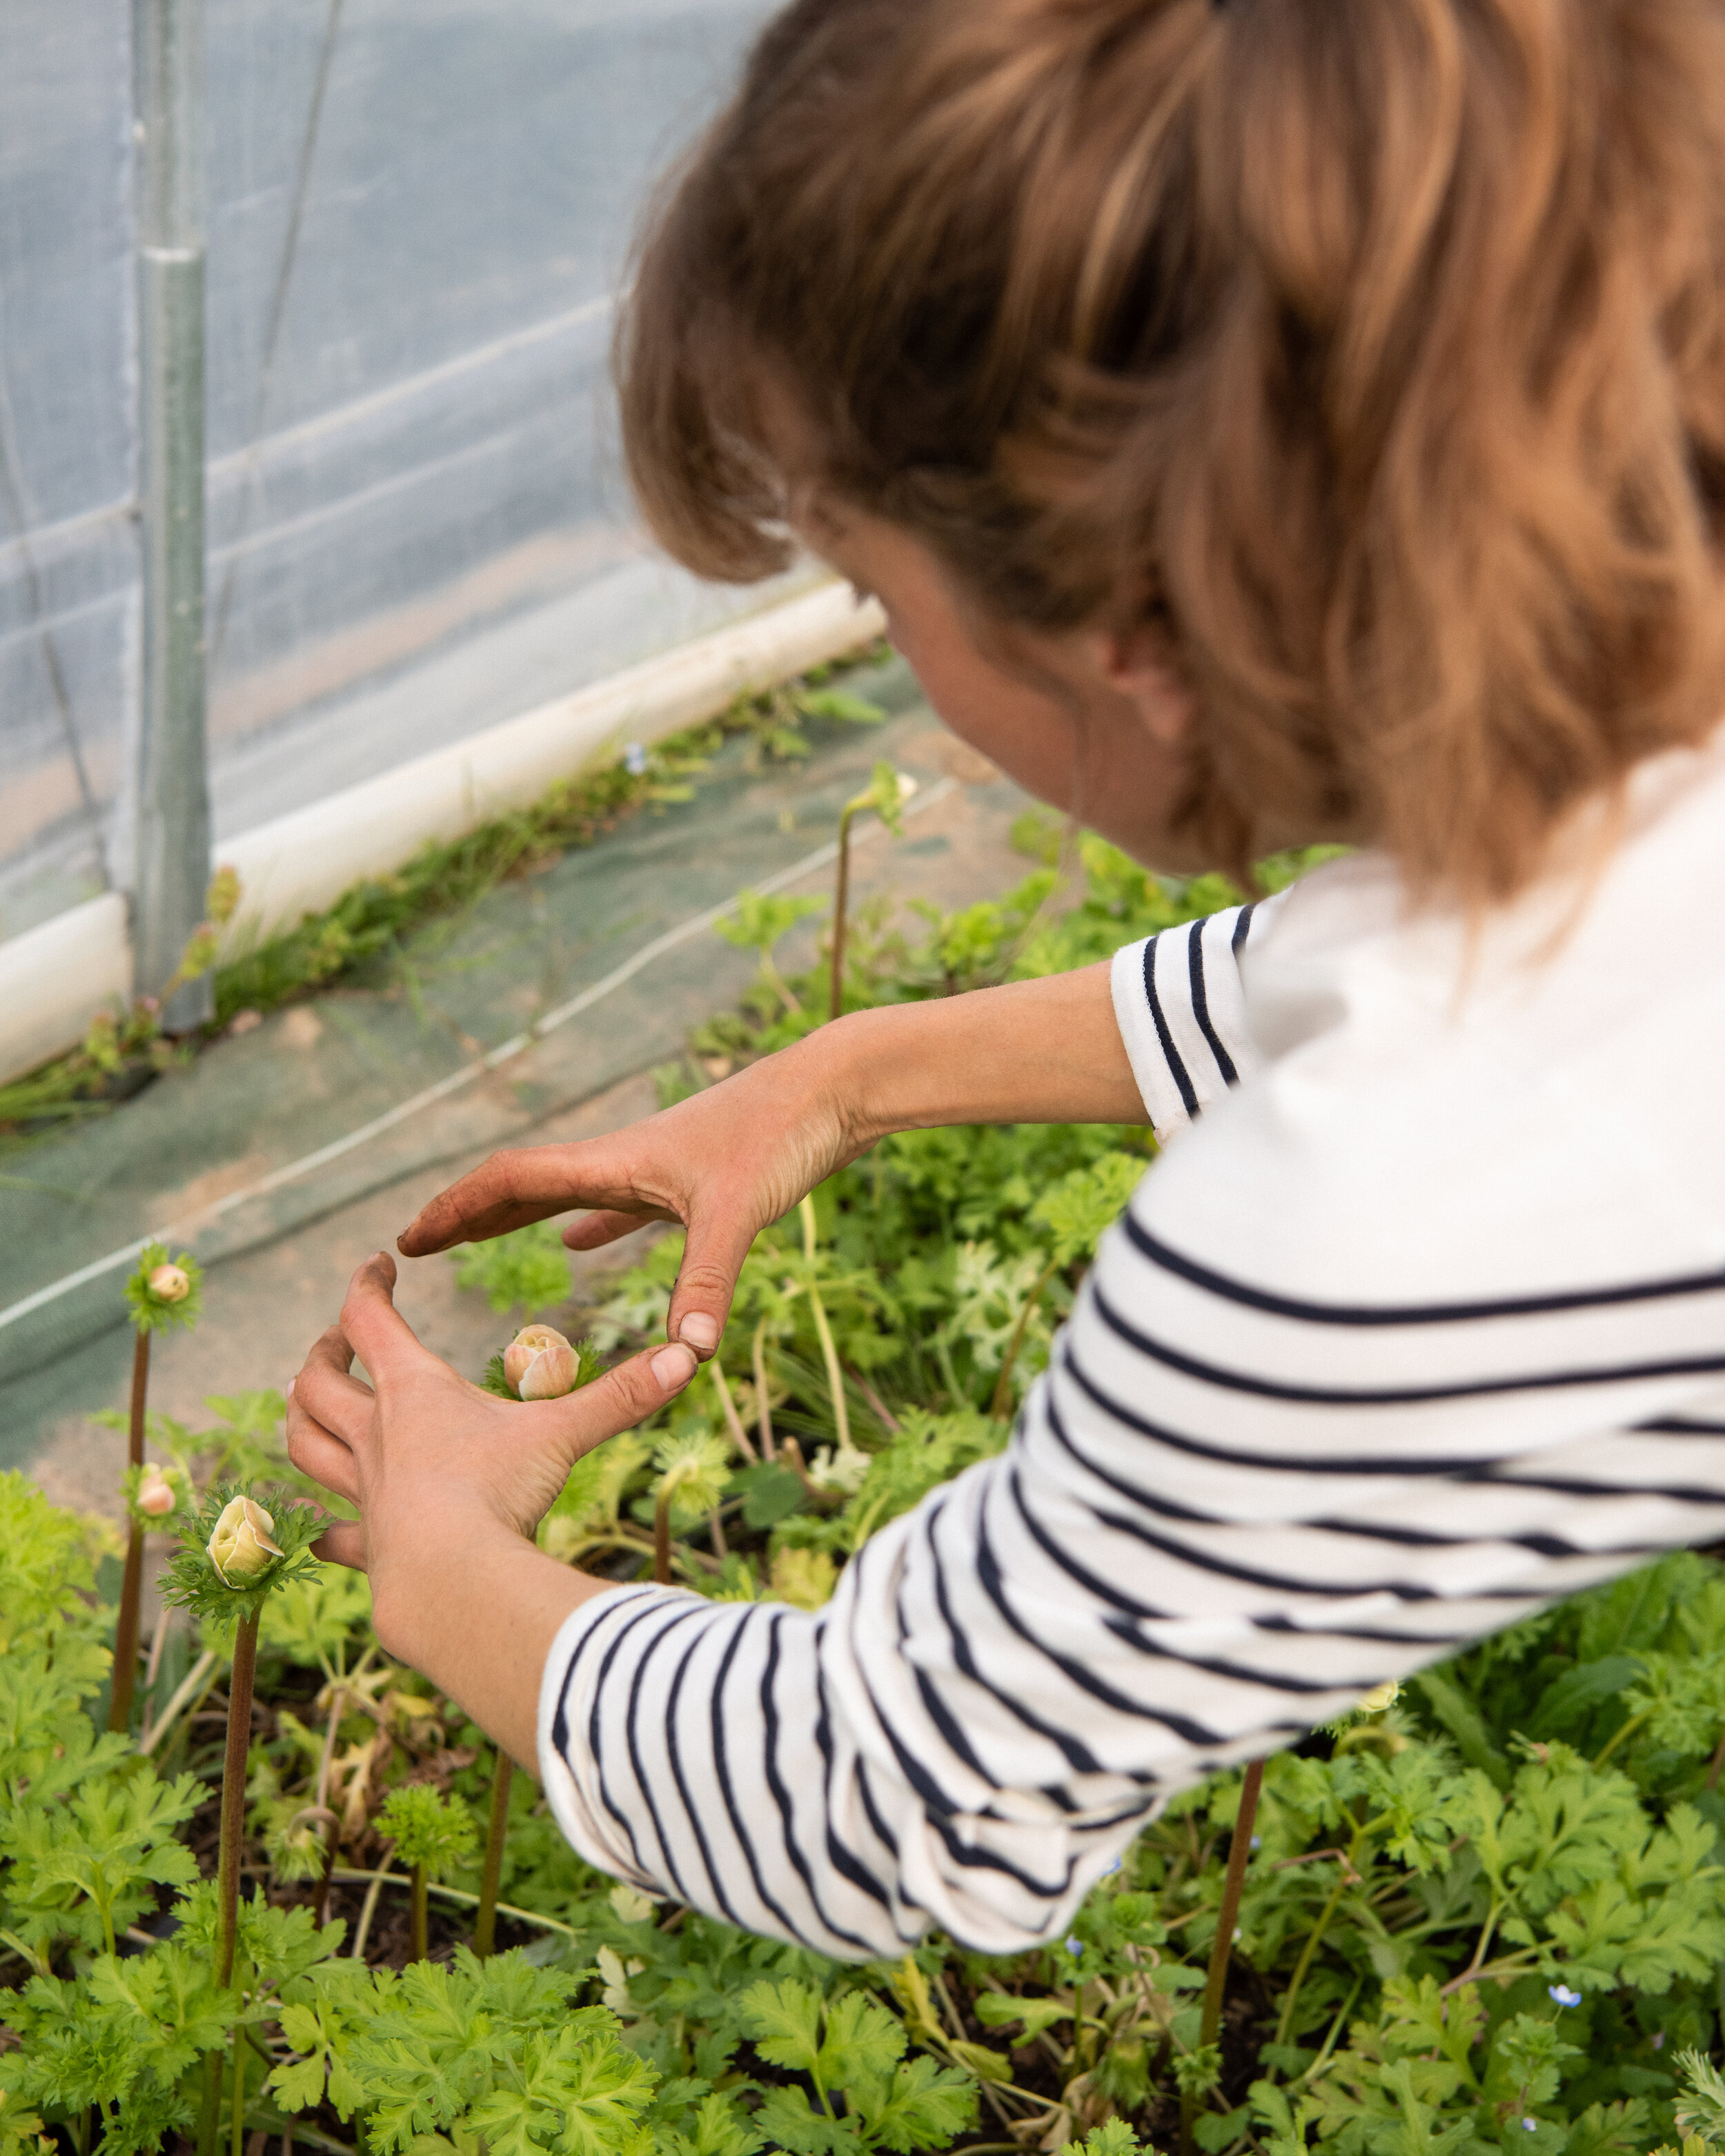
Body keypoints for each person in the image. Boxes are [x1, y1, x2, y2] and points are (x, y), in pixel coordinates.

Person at [286, 0, 1725, 1960]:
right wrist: (840, 1078)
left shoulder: (1413, 1191)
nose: (895, 655)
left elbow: (901, 1791)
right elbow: (1440, 959)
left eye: (877, 593)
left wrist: (442, 1558)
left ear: (1136, 628)